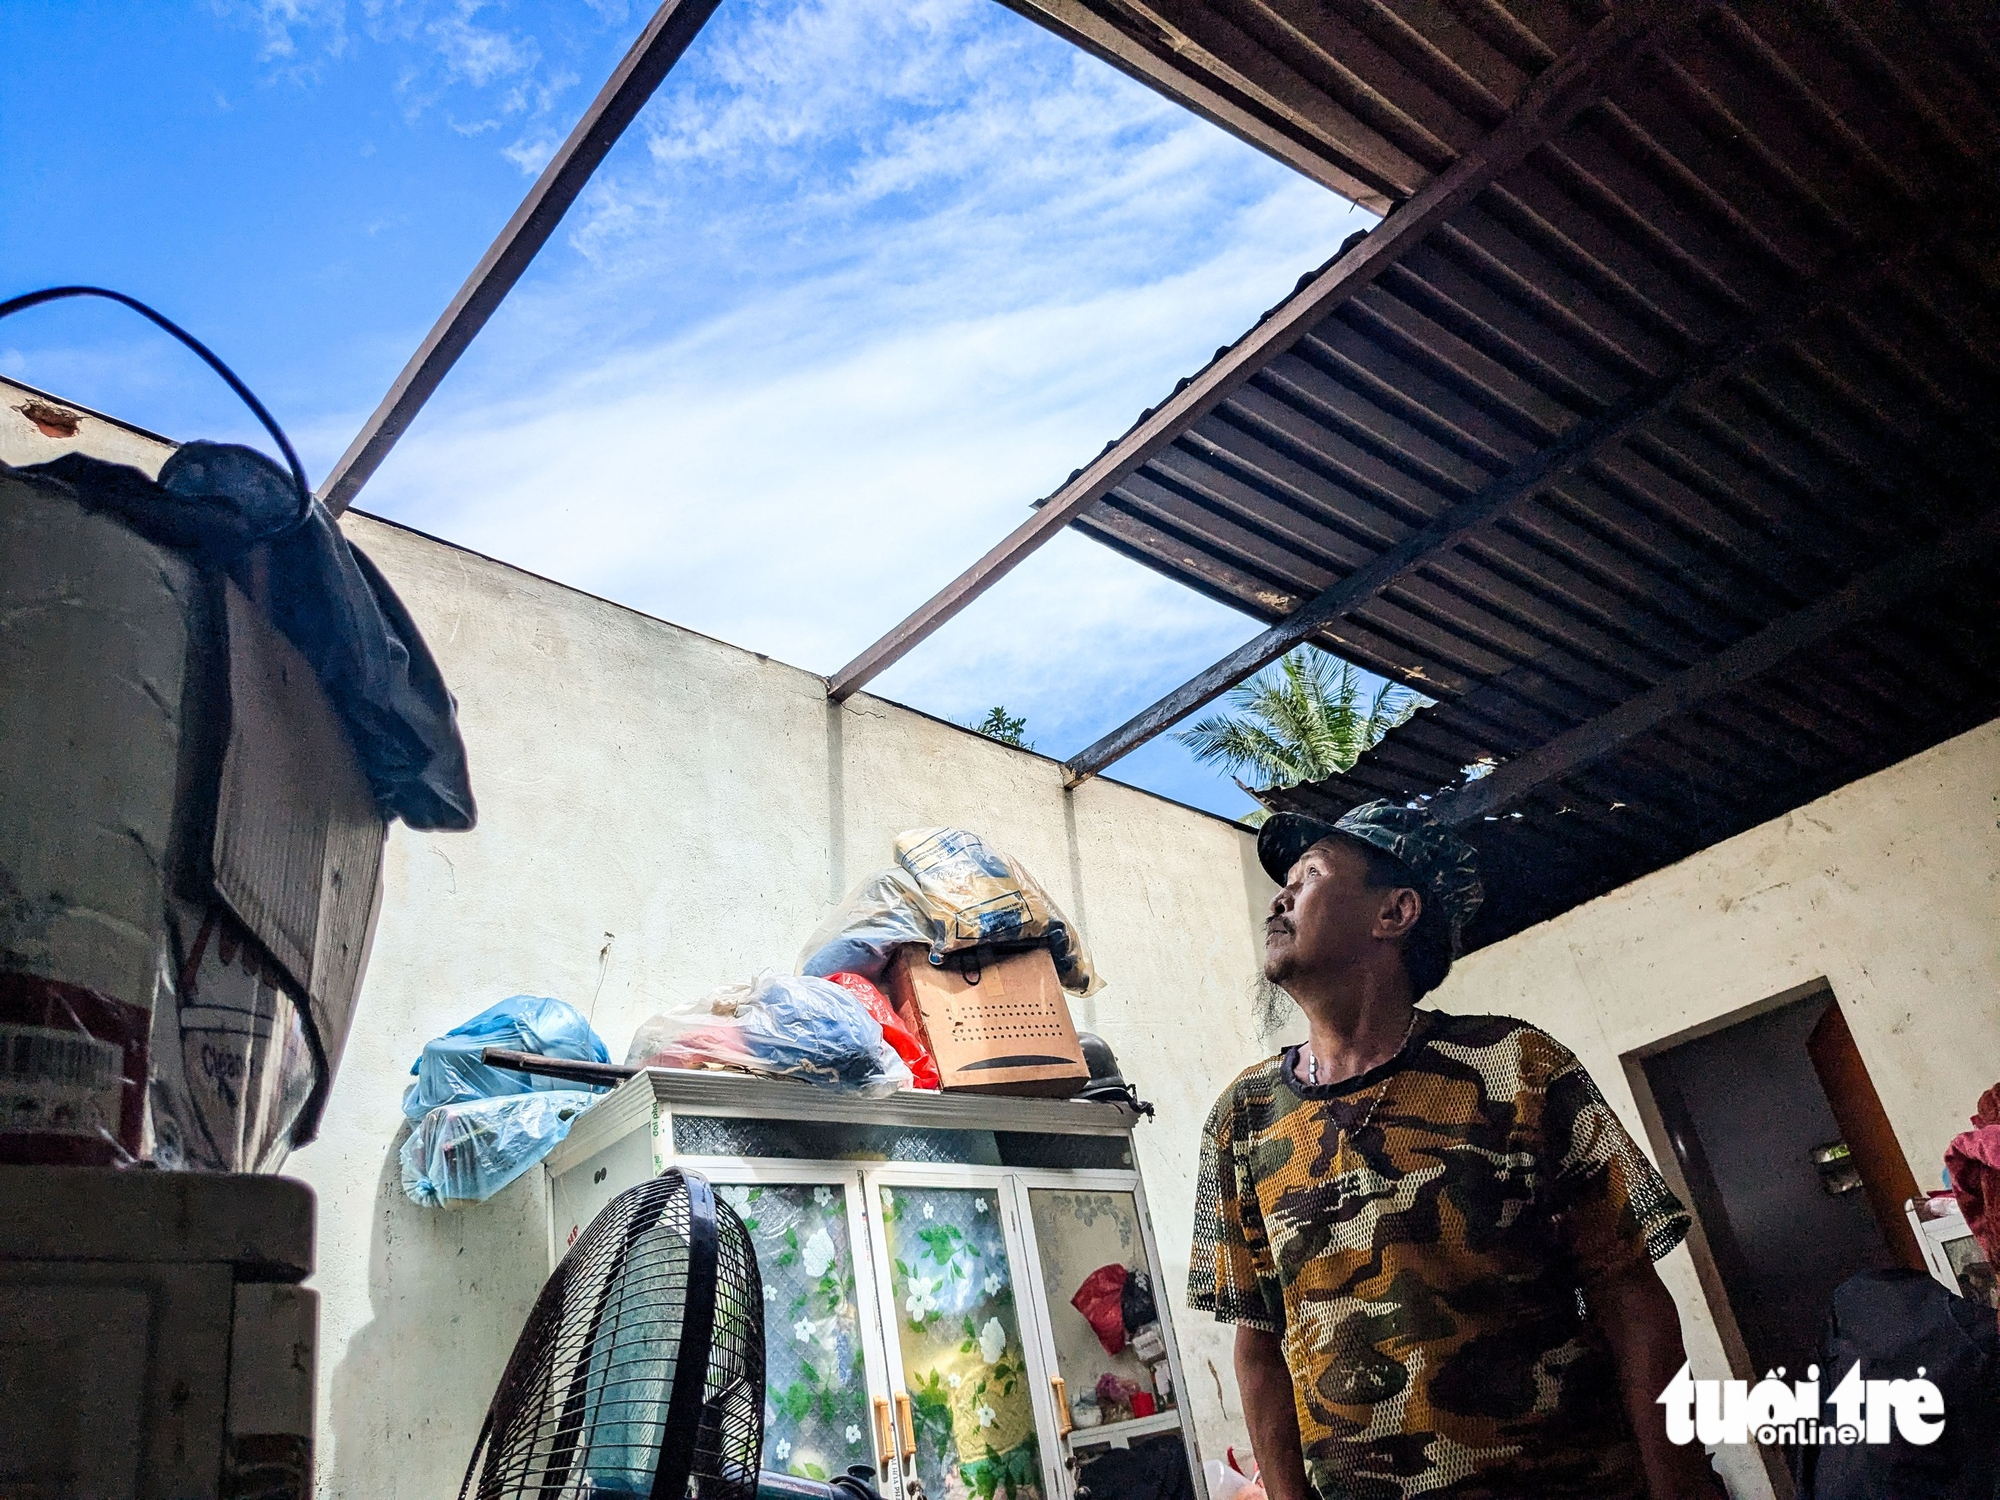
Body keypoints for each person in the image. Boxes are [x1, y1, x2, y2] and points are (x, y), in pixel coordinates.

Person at [1189, 801, 1725, 1500]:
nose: (1279, 899)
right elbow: (1260, 1346)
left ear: (1395, 912)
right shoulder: (1244, 1116)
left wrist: (1681, 1488)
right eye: (1284, 882)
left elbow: (1629, 1296)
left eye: (1310, 875)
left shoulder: (1517, 1067)